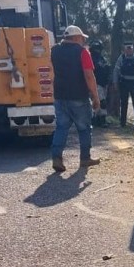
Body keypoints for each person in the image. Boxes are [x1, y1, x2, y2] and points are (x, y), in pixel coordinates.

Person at [50, 25, 101, 172]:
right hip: (78, 96)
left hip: (60, 96)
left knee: (61, 127)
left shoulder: (55, 51)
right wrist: (95, 96)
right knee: (84, 128)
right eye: (82, 38)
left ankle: (56, 158)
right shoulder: (82, 52)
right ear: (77, 37)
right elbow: (89, 75)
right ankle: (85, 158)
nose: (82, 41)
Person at [113, 41, 134, 128]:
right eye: (127, 49)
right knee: (123, 103)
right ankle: (122, 123)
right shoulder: (121, 58)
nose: (129, 51)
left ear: (133, 49)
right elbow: (116, 70)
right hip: (124, 82)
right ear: (124, 50)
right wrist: (115, 82)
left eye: (130, 49)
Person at [88, 39, 112, 128]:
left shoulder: (102, 58)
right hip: (95, 83)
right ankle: (101, 120)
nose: (97, 50)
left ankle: (98, 119)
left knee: (101, 101)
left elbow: (108, 68)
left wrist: (108, 80)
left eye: (98, 48)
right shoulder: (90, 58)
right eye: (95, 48)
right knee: (101, 102)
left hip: (103, 83)